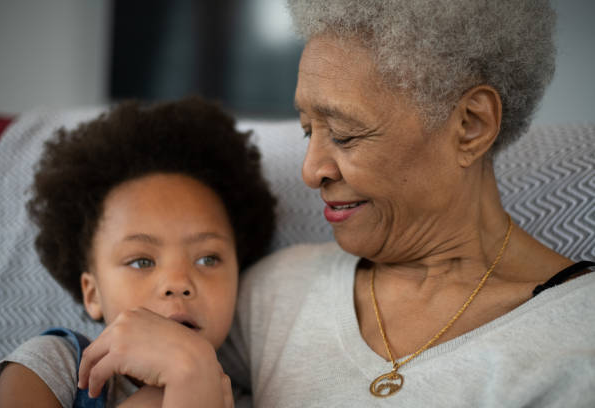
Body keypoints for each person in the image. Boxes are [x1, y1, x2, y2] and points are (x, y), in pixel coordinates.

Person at [74, 0, 595, 407]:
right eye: (307, 131)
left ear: (471, 125)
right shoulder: (275, 292)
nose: (310, 170)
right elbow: (103, 358)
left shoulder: (578, 340)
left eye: (344, 135)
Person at [0, 97, 276, 408]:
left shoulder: (252, 400)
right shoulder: (53, 366)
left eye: (208, 259)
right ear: (93, 293)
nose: (178, 282)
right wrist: (183, 380)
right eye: (142, 261)